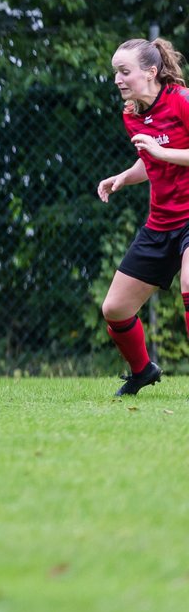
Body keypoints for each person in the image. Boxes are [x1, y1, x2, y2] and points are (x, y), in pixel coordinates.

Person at [96, 36, 189, 396]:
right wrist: (124, 177)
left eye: (125, 72)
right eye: (115, 73)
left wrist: (160, 154)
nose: (118, 79)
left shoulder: (181, 101)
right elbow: (152, 158)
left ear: (151, 72)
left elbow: (162, 151)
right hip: (160, 222)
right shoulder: (132, 113)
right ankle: (142, 370)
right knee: (115, 309)